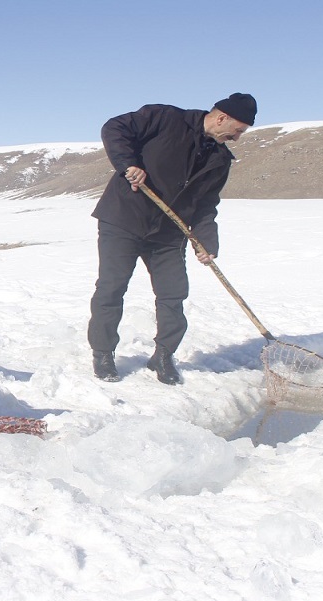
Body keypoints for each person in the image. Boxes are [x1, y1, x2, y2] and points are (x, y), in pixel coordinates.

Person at [88, 93, 257, 385]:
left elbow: (205, 205)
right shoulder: (165, 118)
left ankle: (163, 355)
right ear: (221, 118)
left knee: (173, 294)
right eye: (238, 130)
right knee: (111, 289)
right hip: (124, 220)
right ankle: (103, 354)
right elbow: (114, 127)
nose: (237, 138)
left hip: (168, 233)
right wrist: (128, 163)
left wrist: (206, 242)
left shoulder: (220, 159)